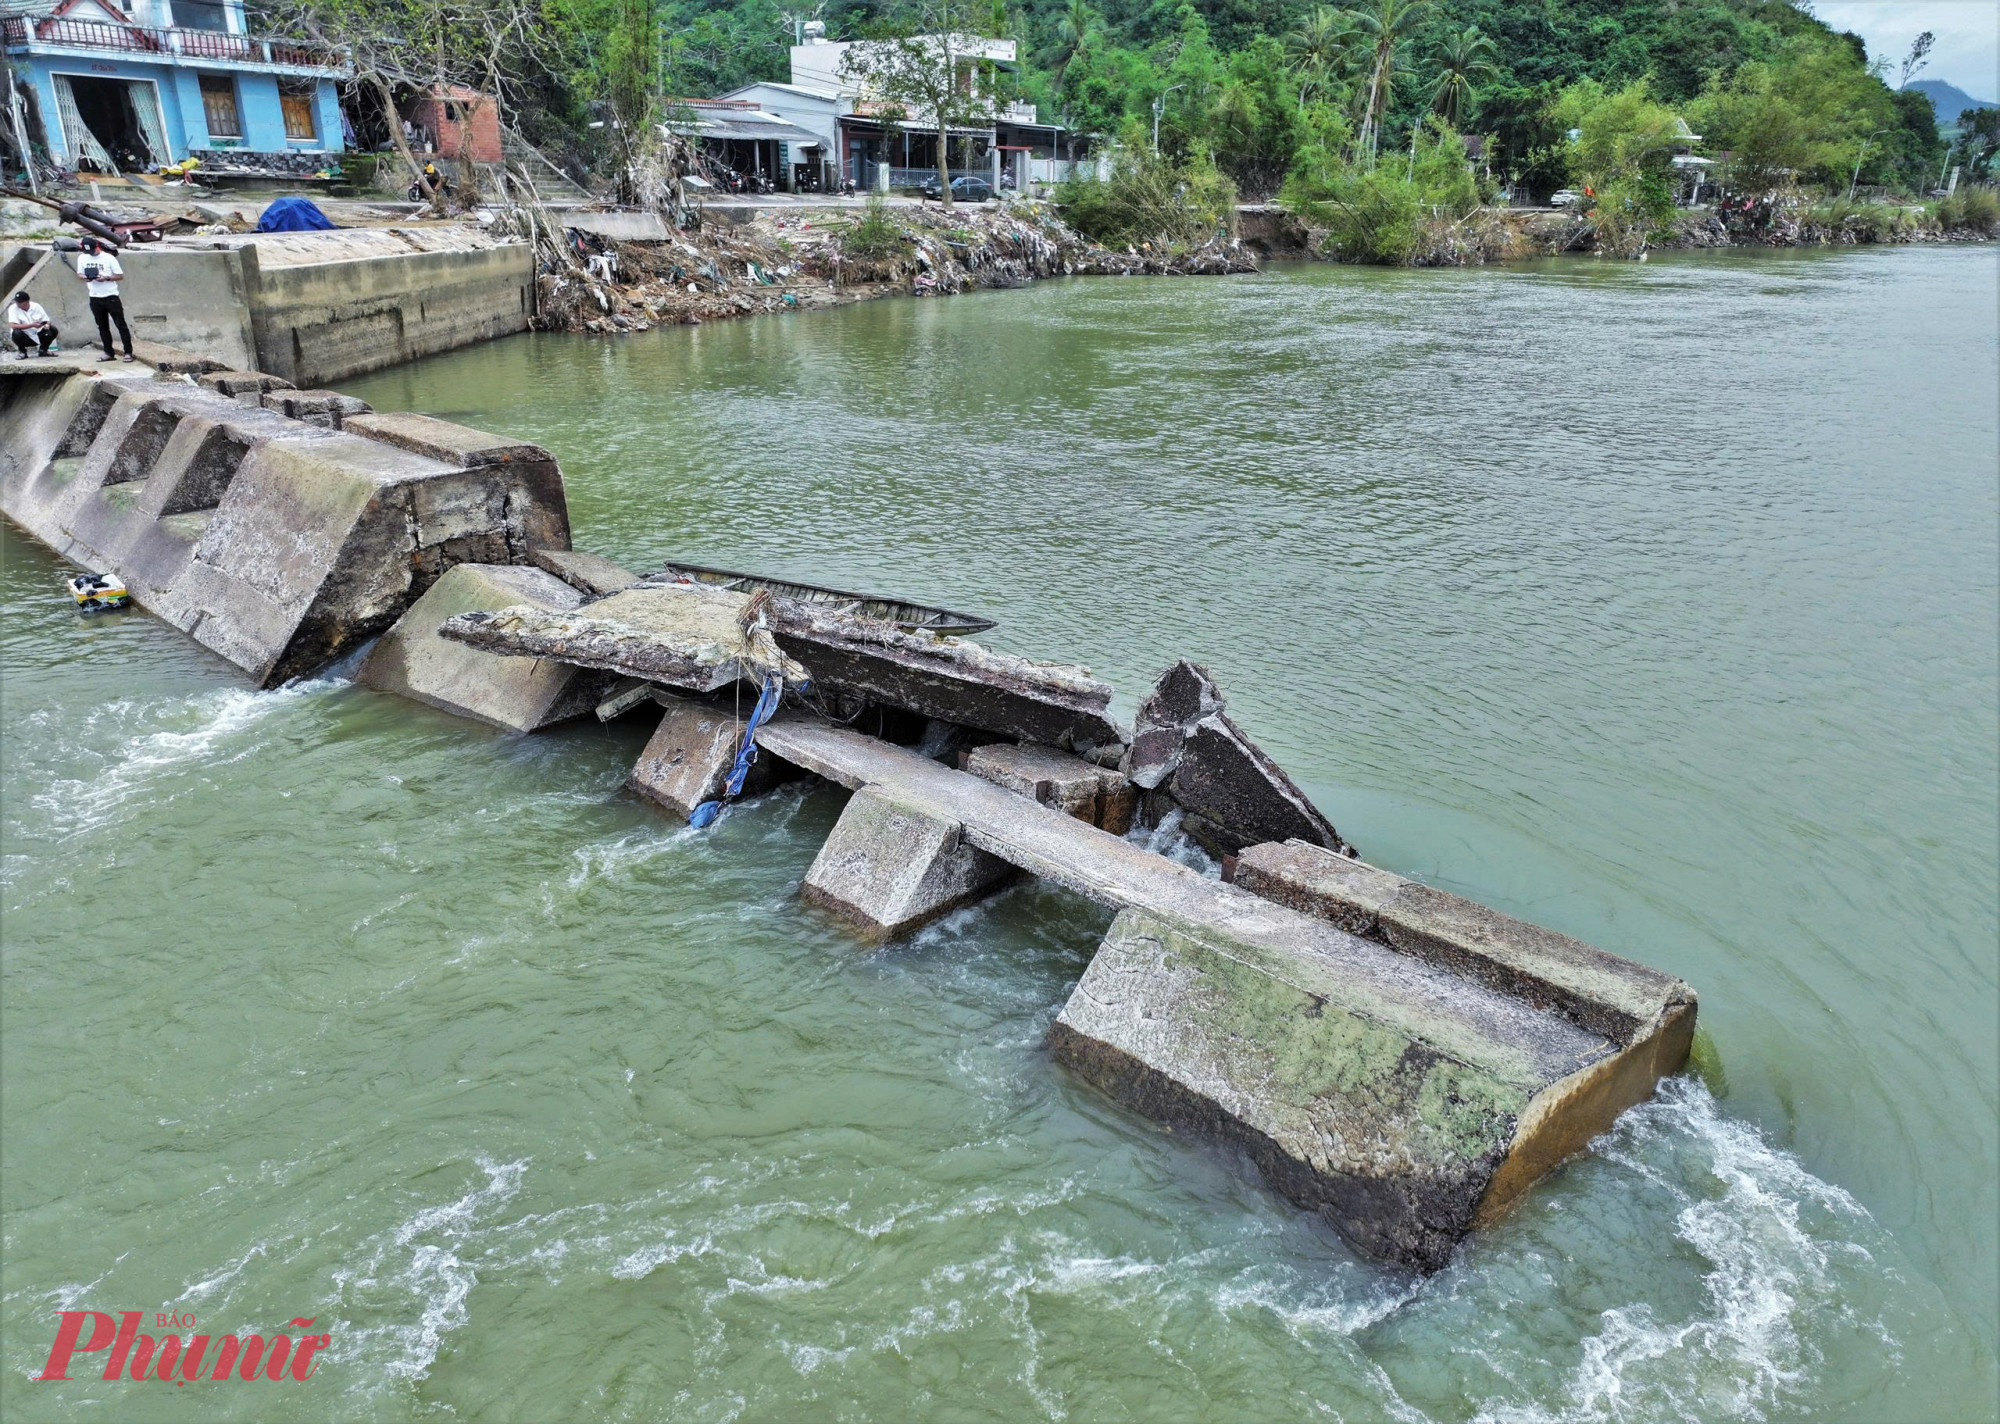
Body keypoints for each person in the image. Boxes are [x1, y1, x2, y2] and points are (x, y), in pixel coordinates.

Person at [73, 237, 134, 362]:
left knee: (120, 325)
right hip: (94, 296)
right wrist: (86, 277)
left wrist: (106, 278)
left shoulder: (108, 258)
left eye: (92, 251)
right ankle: (108, 352)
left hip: (110, 296)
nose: (90, 254)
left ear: (97, 247)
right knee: (102, 326)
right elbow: (79, 273)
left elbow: (120, 276)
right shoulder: (82, 257)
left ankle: (128, 352)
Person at [7, 290, 58, 358]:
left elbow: (47, 320)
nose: (18, 304)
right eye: (17, 302)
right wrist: (32, 325)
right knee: (16, 332)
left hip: (38, 334)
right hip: (25, 337)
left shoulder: (36, 306)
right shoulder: (13, 308)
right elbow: (12, 325)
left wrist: (46, 325)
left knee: (53, 329)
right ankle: (22, 352)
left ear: (27, 301)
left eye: (20, 302)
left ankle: (43, 350)